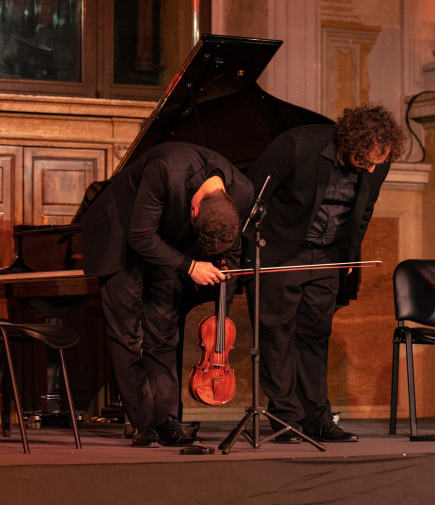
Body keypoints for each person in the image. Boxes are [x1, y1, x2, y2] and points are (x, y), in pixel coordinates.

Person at [245, 103, 406, 443]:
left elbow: (364, 211)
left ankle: (318, 419)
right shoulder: (296, 145)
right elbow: (252, 196)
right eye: (367, 161)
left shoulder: (378, 161)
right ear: (350, 143)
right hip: (282, 253)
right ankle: (285, 417)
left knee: (315, 337)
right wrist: (252, 254)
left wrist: (349, 255)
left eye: (378, 162)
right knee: (276, 335)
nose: (373, 168)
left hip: (328, 257)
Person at [80, 142, 254, 447]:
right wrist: (190, 266)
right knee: (127, 334)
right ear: (194, 211)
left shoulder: (243, 191)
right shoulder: (165, 169)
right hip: (119, 232)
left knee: (164, 332)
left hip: (167, 241)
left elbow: (232, 252)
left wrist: (224, 296)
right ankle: (143, 423)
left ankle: (167, 419)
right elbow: (140, 236)